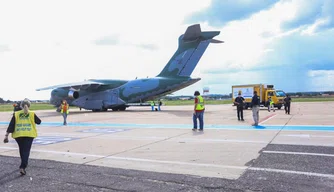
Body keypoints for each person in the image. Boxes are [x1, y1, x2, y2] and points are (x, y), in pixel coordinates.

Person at [3, 98, 41, 176]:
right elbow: (39, 122)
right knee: (26, 151)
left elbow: (11, 125)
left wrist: (6, 135)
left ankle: (23, 163)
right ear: (29, 105)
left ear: (21, 106)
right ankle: (23, 166)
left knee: (22, 150)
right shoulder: (31, 114)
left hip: (18, 135)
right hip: (29, 134)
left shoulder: (16, 114)